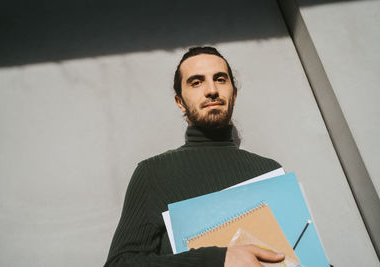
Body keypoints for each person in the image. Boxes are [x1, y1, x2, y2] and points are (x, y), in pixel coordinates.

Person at [104, 46, 285, 267]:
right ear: (180, 102)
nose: (211, 90)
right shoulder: (152, 174)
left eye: (220, 79)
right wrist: (215, 260)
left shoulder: (268, 171)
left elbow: (296, 253)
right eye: (196, 82)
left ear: (234, 95)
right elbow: (119, 264)